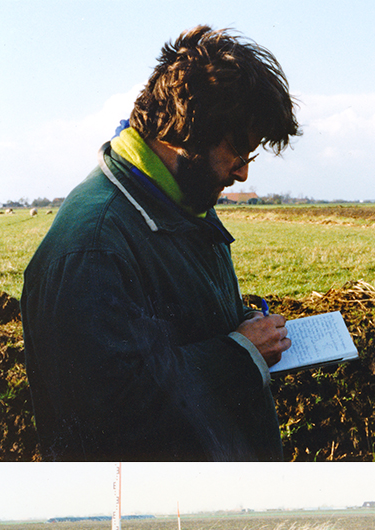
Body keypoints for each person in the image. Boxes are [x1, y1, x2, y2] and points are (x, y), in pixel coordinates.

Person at [21, 26, 299, 461]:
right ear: (186, 134)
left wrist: (243, 321)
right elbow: (107, 415)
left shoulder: (180, 199)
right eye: (238, 153)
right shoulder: (92, 247)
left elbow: (181, 323)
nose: (244, 174)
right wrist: (241, 354)